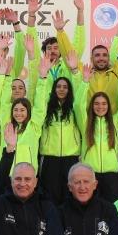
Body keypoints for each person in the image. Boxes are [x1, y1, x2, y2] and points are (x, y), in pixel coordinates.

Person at [73, 59, 118, 202]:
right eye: (96, 104)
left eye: (104, 104)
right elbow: (78, 105)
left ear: (108, 106)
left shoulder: (115, 122)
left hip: (111, 176)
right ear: (92, 106)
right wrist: (85, 82)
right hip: (90, 175)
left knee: (113, 209)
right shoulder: (86, 122)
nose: (100, 107)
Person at [36, 55, 82, 206]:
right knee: (50, 198)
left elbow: (81, 95)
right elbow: (40, 98)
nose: (61, 89)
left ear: (69, 90)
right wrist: (43, 77)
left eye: (65, 87)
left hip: (71, 158)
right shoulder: (47, 109)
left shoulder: (74, 109)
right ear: (54, 89)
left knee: (71, 197)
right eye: (58, 86)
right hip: (50, 159)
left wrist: (75, 72)